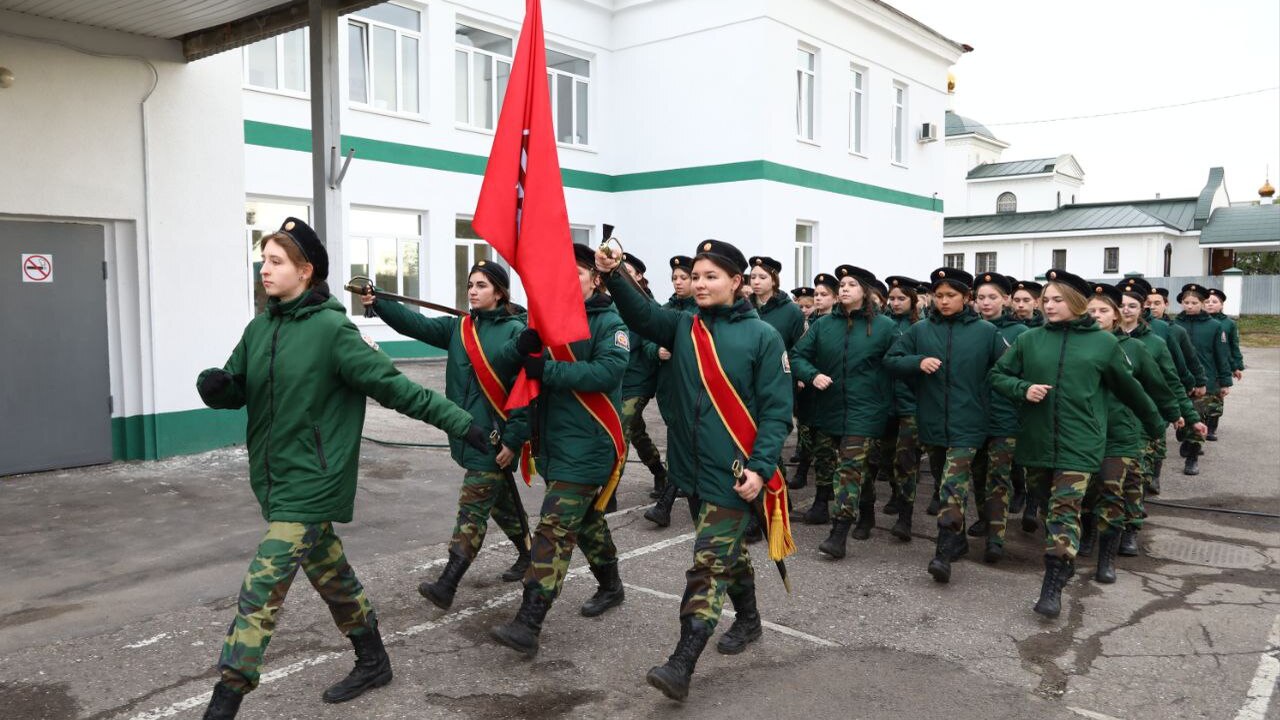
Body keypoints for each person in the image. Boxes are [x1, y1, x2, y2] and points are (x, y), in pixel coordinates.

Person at [196, 218, 485, 719]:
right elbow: (240, 384)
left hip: (311, 480)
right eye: (263, 258)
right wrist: (219, 388)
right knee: (331, 573)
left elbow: (397, 388)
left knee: (263, 586)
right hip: (275, 477)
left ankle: (225, 699)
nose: (263, 268)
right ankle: (373, 659)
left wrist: (464, 423)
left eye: (275, 261)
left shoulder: (333, 330)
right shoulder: (260, 325)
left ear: (306, 271)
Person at [599, 239, 793, 702]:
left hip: (736, 474)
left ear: (736, 282)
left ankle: (682, 661)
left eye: (712, 276)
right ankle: (749, 619)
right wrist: (613, 274)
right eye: (698, 276)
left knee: (707, 563)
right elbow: (643, 316)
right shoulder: (684, 326)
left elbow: (776, 412)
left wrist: (762, 468)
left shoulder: (763, 337)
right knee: (726, 555)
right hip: (692, 470)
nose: (701, 284)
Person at [990, 269, 1165, 619]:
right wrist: (1022, 389)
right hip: (1037, 442)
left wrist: (1157, 424)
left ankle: (1052, 583)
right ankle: (1064, 559)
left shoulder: (1104, 344)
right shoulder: (1030, 339)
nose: (1048, 306)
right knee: (1044, 507)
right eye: (1046, 300)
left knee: (1064, 511)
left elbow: (1130, 390)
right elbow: (997, 375)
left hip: (1081, 443)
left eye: (1057, 300)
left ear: (1076, 303)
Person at [360, 261, 531, 610]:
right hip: (468, 434)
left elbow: (525, 392)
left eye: (481, 285)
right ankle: (529, 553)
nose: (472, 291)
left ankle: (448, 583)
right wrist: (379, 303)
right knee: (499, 503)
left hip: (495, 437)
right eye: (470, 284)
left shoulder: (517, 332)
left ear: (499, 292)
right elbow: (417, 324)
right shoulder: (460, 329)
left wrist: (514, 440)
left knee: (472, 509)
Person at [489, 244, 630, 658]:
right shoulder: (546, 319)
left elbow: (608, 371)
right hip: (552, 445)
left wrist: (547, 369)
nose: (569, 279)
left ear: (595, 278)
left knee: (553, 529)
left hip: (590, 444)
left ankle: (528, 623)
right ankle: (612, 585)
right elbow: (502, 364)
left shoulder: (610, 322)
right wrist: (523, 345)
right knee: (585, 524)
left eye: (579, 272)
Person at [885, 268, 1003, 581]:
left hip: (969, 424)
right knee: (942, 482)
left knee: (953, 485)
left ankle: (943, 552)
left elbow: (1005, 372)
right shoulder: (920, 330)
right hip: (932, 421)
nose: (944, 301)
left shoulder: (986, 333)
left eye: (951, 295)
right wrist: (917, 362)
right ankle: (959, 541)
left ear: (967, 298)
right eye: (939, 296)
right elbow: (891, 360)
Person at [1080, 283, 1189, 583]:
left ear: (1116, 316)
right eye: (1091, 311)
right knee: (1087, 491)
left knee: (1112, 492)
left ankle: (1107, 558)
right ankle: (1087, 534)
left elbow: (1160, 388)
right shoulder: (1076, 344)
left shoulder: (1135, 348)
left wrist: (1181, 416)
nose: (1097, 316)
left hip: (1121, 433)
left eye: (1103, 310)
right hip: (1084, 432)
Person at [791, 264, 898, 559]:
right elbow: (798, 355)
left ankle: (838, 534)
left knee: (849, 469)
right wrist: (812, 375)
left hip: (866, 411)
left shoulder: (886, 327)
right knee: (848, 469)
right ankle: (866, 511)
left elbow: (899, 363)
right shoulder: (823, 325)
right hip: (829, 408)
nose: (845, 288)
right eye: (843, 284)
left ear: (865, 291)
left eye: (851, 284)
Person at [1115, 280, 1205, 556]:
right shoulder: (1103, 337)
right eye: (1121, 305)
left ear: (1143, 308)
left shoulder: (1156, 341)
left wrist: (1187, 416)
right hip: (1109, 418)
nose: (1126, 310)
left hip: (1143, 419)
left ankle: (1130, 530)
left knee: (1135, 476)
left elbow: (1172, 382)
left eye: (1132, 305)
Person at [966, 273, 1027, 563]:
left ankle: (996, 537)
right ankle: (984, 517)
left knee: (998, 477)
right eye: (980, 297)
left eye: (992, 297)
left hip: (1005, 415)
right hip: (973, 415)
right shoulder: (969, 329)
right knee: (977, 474)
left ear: (1006, 299)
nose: (986, 302)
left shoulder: (1019, 333)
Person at [745, 256, 805, 542]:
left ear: (774, 280)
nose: (755, 281)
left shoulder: (791, 312)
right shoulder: (744, 306)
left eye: (761, 277)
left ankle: (764, 514)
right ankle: (777, 503)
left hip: (776, 384)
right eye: (752, 276)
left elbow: (800, 348)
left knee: (767, 443)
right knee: (756, 445)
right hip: (747, 386)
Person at [645, 255, 698, 527]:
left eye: (684, 277)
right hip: (670, 391)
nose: (678, 282)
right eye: (674, 278)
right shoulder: (665, 309)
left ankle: (665, 503)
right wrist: (657, 350)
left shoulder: (700, 311)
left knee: (686, 447)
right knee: (681, 446)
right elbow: (645, 342)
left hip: (694, 393)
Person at [1140, 282, 1206, 489]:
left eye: (1156, 303)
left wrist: (1195, 383)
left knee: (1157, 433)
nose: (1152, 307)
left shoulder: (1170, 330)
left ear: (1165, 305)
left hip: (1164, 390)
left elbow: (1184, 361)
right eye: (1148, 303)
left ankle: (1154, 477)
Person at [618, 251, 669, 503]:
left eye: (628, 271)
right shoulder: (612, 302)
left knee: (621, 431)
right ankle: (659, 471)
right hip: (616, 379)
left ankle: (608, 492)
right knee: (635, 431)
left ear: (639, 276)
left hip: (638, 380)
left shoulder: (650, 307)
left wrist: (655, 350)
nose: (623, 275)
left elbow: (653, 343)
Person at [1171, 283, 1233, 475]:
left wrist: (1224, 382)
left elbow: (1222, 355)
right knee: (1183, 421)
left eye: (1194, 302)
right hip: (1178, 380)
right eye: (1186, 302)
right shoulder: (1173, 325)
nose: (1189, 306)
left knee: (1198, 417)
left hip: (1205, 381)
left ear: (1203, 303)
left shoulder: (1215, 326)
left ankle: (1192, 458)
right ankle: (1185, 437)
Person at [878, 276, 923, 542]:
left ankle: (905, 515)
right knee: (885, 457)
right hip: (885, 401)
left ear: (913, 301)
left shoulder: (920, 326)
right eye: (892, 298)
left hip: (910, 403)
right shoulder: (881, 324)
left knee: (905, 459)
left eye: (901, 298)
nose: (895, 303)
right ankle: (896, 493)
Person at [793, 273, 840, 523]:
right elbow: (799, 353)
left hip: (831, 389)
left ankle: (831, 497)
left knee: (828, 447)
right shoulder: (812, 322)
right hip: (811, 387)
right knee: (810, 435)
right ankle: (819, 493)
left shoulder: (837, 323)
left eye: (823, 295)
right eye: (817, 294)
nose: (818, 298)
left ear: (835, 298)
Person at [1204, 288, 1245, 441]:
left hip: (1221, 365)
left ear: (1221, 305)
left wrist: (1236, 366)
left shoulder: (1228, 324)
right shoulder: (1198, 321)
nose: (1210, 304)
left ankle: (1212, 427)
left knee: (1217, 395)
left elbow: (1233, 346)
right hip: (1204, 363)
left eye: (1214, 302)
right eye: (1207, 301)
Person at [787, 286, 817, 489]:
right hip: (804, 380)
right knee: (803, 422)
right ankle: (803, 463)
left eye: (809, 306)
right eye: (801, 306)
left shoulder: (819, 324)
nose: (805, 309)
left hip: (818, 381)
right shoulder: (801, 322)